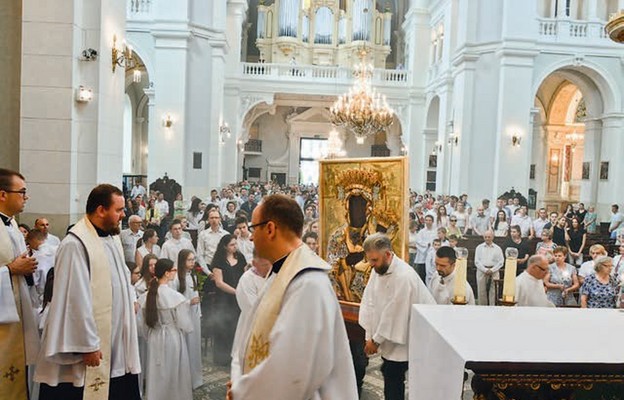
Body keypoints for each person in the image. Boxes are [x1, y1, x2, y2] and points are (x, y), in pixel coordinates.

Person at [228, 194, 357, 400]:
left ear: (270, 229)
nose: (251, 237)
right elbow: (251, 330)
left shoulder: (308, 282)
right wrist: (241, 377)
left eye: (254, 229)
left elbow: (291, 370)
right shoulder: (281, 271)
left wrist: (243, 390)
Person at [36, 184, 141, 399]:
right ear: (101, 210)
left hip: (115, 344)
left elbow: (120, 277)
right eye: (119, 210)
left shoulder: (111, 239)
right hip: (89, 350)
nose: (123, 215)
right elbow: (74, 299)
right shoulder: (75, 244)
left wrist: (130, 298)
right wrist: (88, 345)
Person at [359, 233, 435, 400]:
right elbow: (369, 301)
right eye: (370, 260)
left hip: (410, 336)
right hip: (391, 335)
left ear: (387, 254)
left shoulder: (403, 276)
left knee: (395, 375)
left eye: (374, 260)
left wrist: (376, 340)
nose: (371, 265)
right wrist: (368, 336)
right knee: (390, 372)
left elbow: (394, 313)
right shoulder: (379, 269)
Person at [0, 169, 39, 400]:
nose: (26, 197)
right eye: (22, 192)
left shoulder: (12, 225)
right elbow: (13, 267)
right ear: (3, 194)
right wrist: (11, 270)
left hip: (16, 317)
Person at [138, 258, 193, 400]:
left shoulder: (145, 297)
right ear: (167, 273)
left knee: (156, 373)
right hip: (172, 336)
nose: (175, 272)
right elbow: (185, 324)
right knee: (174, 372)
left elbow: (142, 326)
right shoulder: (175, 297)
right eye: (174, 270)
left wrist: (150, 334)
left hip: (154, 337)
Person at [212, 234, 246, 366]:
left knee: (237, 325)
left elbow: (245, 274)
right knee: (224, 325)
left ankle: (236, 355)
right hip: (224, 298)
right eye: (232, 245)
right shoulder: (219, 261)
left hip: (238, 297)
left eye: (235, 244)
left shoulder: (240, 257)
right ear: (225, 246)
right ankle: (223, 357)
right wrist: (235, 291)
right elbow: (219, 283)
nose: (235, 247)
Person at [175, 250, 203, 389]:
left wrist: (198, 311)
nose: (192, 262)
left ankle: (195, 378)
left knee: (195, 345)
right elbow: (174, 300)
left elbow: (196, 294)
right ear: (182, 261)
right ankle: (185, 380)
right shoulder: (176, 278)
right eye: (189, 260)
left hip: (194, 314)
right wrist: (189, 302)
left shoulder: (193, 276)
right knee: (185, 346)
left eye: (193, 259)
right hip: (184, 315)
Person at [474, 230, 504, 306]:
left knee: (493, 291)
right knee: (481, 291)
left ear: (493, 237)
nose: (487, 238)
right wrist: (485, 270)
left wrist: (492, 270)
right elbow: (477, 261)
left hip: (494, 271)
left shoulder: (497, 248)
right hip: (481, 270)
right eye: (485, 237)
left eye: (489, 237)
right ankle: (482, 308)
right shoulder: (479, 247)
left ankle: (492, 307)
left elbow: (501, 262)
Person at [196, 209, 228, 276]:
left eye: (216, 218)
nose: (214, 220)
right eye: (212, 218)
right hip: (208, 266)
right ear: (208, 219)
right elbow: (200, 255)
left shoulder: (226, 234)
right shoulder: (203, 234)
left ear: (220, 219)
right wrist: (208, 272)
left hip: (223, 267)